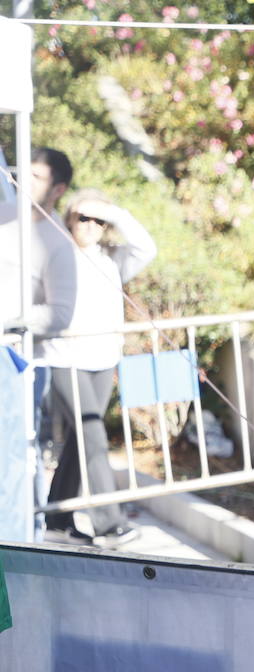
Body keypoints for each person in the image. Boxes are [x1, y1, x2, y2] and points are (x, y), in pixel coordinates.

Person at [41, 188, 155, 547]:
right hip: (65, 358)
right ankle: (109, 524)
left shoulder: (111, 259)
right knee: (93, 436)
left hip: (103, 359)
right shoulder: (55, 254)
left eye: (98, 220)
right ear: (69, 219)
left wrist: (116, 212)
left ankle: (56, 521)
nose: (90, 226)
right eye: (82, 218)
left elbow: (146, 248)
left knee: (81, 441)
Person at [0, 147, 78, 539]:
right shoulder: (4, 216)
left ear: (58, 189)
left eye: (35, 176)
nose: (20, 180)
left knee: (16, 455)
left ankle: (25, 534)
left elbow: (61, 314)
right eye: (20, 172)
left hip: (19, 364)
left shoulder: (58, 243)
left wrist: (12, 318)